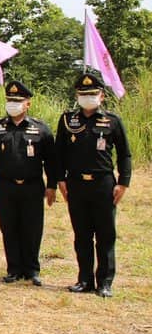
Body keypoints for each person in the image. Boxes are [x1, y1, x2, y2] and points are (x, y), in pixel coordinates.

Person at [55, 72, 131, 298]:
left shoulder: (112, 121)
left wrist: (123, 182)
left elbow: (125, 154)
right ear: (77, 96)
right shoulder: (68, 120)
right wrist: (60, 179)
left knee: (105, 234)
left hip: (103, 184)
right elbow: (59, 153)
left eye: (92, 94)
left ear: (102, 96)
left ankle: (105, 282)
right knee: (82, 234)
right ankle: (84, 279)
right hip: (76, 184)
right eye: (83, 94)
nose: (87, 98)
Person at [0, 80, 57, 286]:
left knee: (32, 228)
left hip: (32, 186)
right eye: (10, 100)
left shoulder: (40, 129)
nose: (13, 104)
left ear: (27, 104)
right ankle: (13, 268)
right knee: (9, 227)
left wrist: (52, 186)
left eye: (18, 101)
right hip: (5, 185)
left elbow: (51, 161)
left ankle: (31, 269)